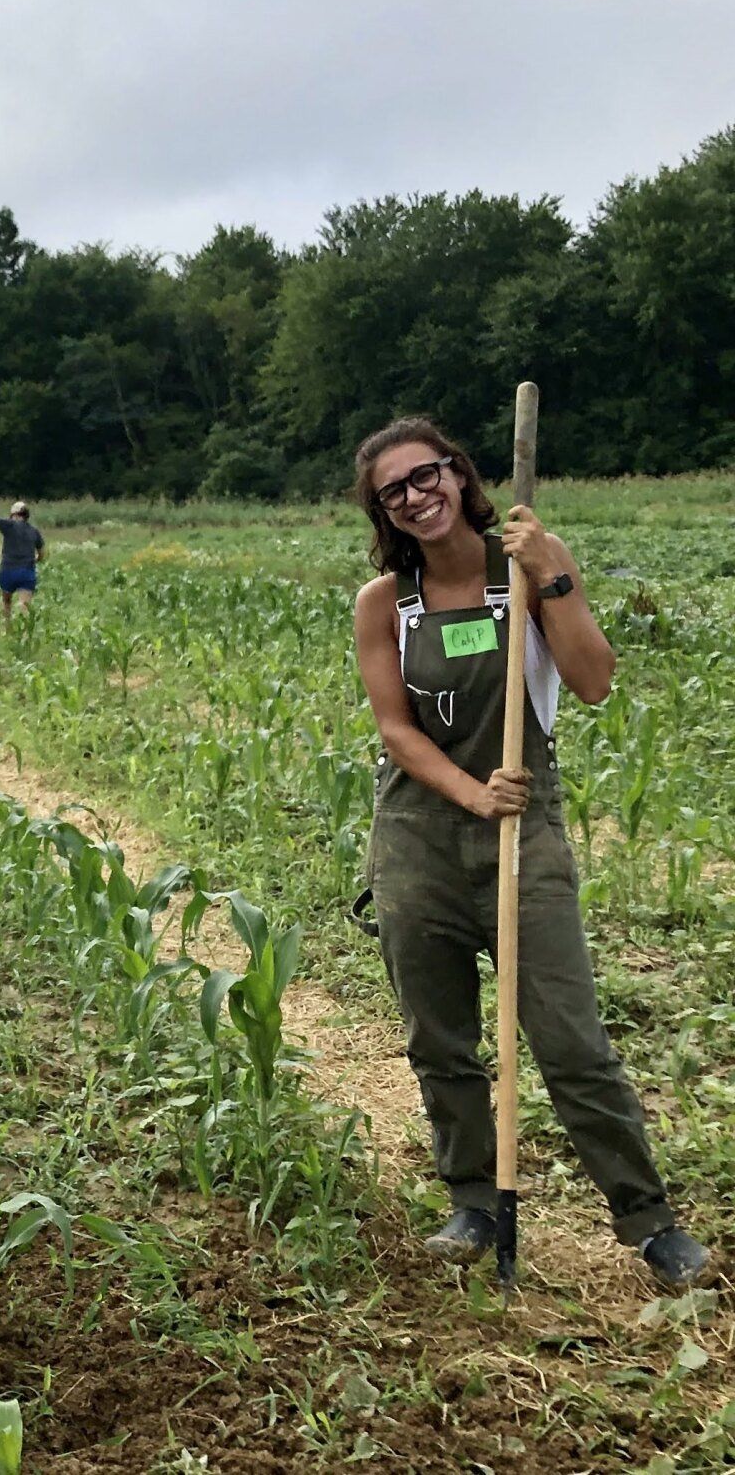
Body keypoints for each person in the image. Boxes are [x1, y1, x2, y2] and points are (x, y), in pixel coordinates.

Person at [352, 418, 708, 1289]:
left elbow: (593, 681)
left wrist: (555, 576)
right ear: (384, 511)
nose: (416, 497)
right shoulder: (383, 603)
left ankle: (649, 1221)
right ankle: (474, 1202)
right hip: (420, 836)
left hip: (525, 834)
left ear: (457, 474)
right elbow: (397, 730)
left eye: (426, 475)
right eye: (394, 491)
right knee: (440, 1039)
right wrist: (471, 792)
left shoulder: (527, 570)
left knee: (572, 1040)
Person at [0, 492, 45, 621]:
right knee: (25, 607)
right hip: (27, 572)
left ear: (14, 514)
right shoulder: (34, 531)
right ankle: (25, 631)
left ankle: (7, 628)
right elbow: (42, 554)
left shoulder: (9, 525)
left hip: (8, 570)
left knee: (6, 603)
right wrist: (35, 560)